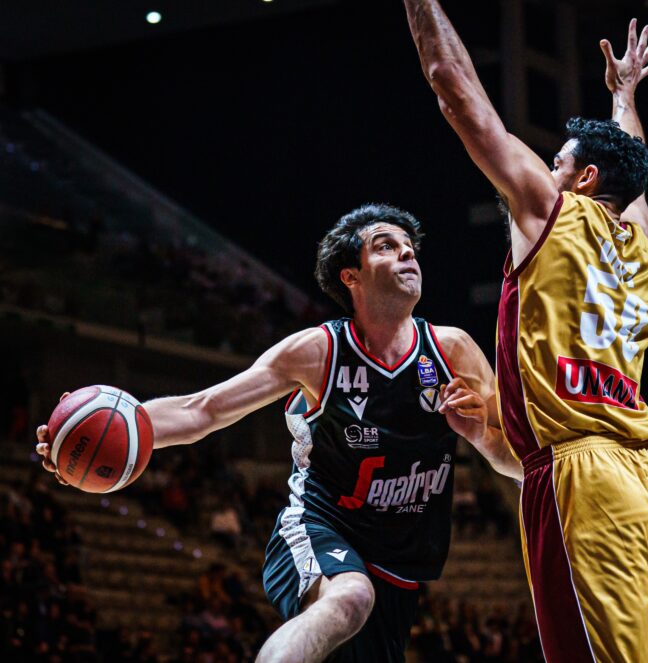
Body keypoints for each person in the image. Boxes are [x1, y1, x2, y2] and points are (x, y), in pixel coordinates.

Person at [35, 203, 522, 663]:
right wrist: (115, 427)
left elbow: (518, 462)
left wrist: (479, 436)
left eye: (408, 245)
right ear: (350, 276)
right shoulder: (318, 351)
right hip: (320, 526)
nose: (407, 252)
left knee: (360, 605)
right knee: (351, 596)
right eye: (385, 245)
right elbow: (204, 410)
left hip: (400, 562)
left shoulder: (452, 351)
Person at [403, 5, 648, 661]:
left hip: (589, 475)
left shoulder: (550, 213)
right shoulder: (643, 246)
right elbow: (632, 174)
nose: (541, 168)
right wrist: (623, 98)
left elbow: (452, 86)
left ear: (583, 180)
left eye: (556, 160)